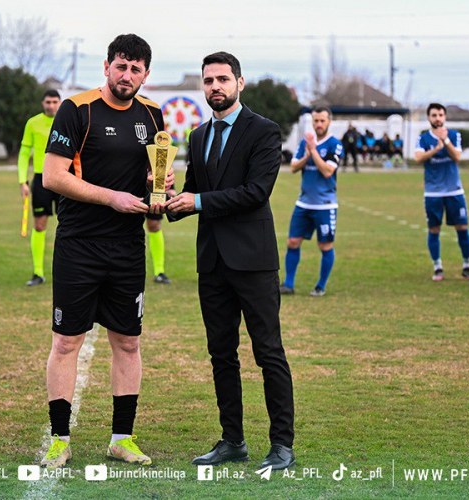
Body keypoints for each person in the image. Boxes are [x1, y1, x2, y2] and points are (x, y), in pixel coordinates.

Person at [39, 34, 173, 469]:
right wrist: (111, 197)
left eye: (136, 69)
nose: (127, 75)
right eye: (121, 66)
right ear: (106, 66)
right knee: (66, 342)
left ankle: (122, 438)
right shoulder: (77, 110)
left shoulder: (154, 114)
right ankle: (60, 438)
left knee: (128, 343)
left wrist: (161, 189)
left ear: (146, 74)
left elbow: (157, 173)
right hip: (79, 244)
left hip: (128, 247)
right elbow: (53, 177)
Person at [166, 51, 295, 471]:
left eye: (223, 79)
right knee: (221, 354)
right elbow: (190, 194)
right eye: (208, 81)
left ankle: (281, 445)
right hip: (212, 263)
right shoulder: (198, 137)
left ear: (240, 82)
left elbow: (256, 192)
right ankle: (232, 440)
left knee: (268, 352)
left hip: (254, 262)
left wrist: (198, 200)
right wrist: (166, 198)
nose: (215, 87)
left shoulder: (264, 131)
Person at [279, 107, 343, 297]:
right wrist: (307, 153)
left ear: (329, 121)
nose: (319, 124)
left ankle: (320, 286)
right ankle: (288, 284)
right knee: (292, 241)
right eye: (316, 121)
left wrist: (313, 151)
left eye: (322, 120)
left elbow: (327, 171)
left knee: (325, 246)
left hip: (325, 205)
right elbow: (293, 167)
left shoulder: (335, 145)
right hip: (304, 203)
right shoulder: (304, 143)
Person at [414, 103, 469, 281]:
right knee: (434, 229)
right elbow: (418, 158)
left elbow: (457, 157)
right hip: (433, 193)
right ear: (429, 118)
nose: (437, 118)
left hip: (454, 191)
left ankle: (467, 265)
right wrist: (435, 149)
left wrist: (445, 142)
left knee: (462, 228)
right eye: (434, 115)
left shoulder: (454, 135)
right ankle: (438, 267)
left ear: (445, 117)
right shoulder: (423, 138)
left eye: (440, 115)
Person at [17, 89, 62, 286]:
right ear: (43, 103)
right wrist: (23, 181)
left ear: (60, 103)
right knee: (40, 225)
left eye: (54, 102)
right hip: (41, 179)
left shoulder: (67, 121)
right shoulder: (32, 123)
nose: (51, 105)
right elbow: (24, 152)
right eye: (48, 102)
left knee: (68, 226)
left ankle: (67, 272)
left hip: (64, 179)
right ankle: (38, 272)